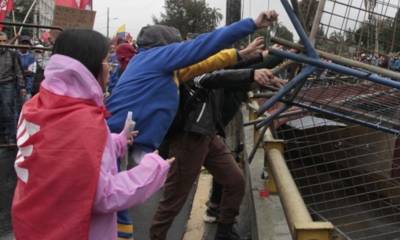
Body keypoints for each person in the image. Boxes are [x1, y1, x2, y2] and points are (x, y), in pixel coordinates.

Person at [11, 29, 173, 240]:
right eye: (106, 61)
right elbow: (103, 195)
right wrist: (153, 168)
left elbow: (64, 156)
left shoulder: (36, 105)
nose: (109, 68)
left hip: (32, 225)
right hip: (78, 230)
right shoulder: (84, 121)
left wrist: (117, 141)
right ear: (89, 68)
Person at [106, 10, 279, 161]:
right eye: (178, 45)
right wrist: (252, 24)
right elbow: (203, 46)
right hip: (119, 140)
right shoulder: (159, 57)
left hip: (129, 142)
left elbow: (204, 64)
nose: (181, 49)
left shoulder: (158, 66)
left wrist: (239, 54)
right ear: (167, 46)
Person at [151, 48, 285, 239]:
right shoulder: (190, 71)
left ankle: (224, 232)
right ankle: (156, 237)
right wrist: (252, 73)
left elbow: (233, 69)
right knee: (174, 200)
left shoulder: (216, 69)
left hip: (209, 134)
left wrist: (259, 60)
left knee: (236, 181)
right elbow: (218, 77)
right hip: (190, 137)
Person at [0, 31, 25, 144]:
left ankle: (9, 136)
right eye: (0, 41)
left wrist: (22, 87)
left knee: (7, 110)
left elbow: (18, 71)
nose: (2, 43)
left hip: (7, 84)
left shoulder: (12, 54)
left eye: (4, 41)